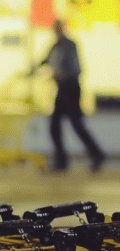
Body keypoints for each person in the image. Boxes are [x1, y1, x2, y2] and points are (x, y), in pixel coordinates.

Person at [32, 18, 105, 172]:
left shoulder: (69, 45)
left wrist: (60, 75)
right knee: (55, 125)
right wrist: (31, 71)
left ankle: (96, 154)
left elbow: (74, 67)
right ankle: (62, 160)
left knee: (76, 125)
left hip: (70, 88)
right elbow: (44, 61)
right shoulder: (54, 46)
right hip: (62, 90)